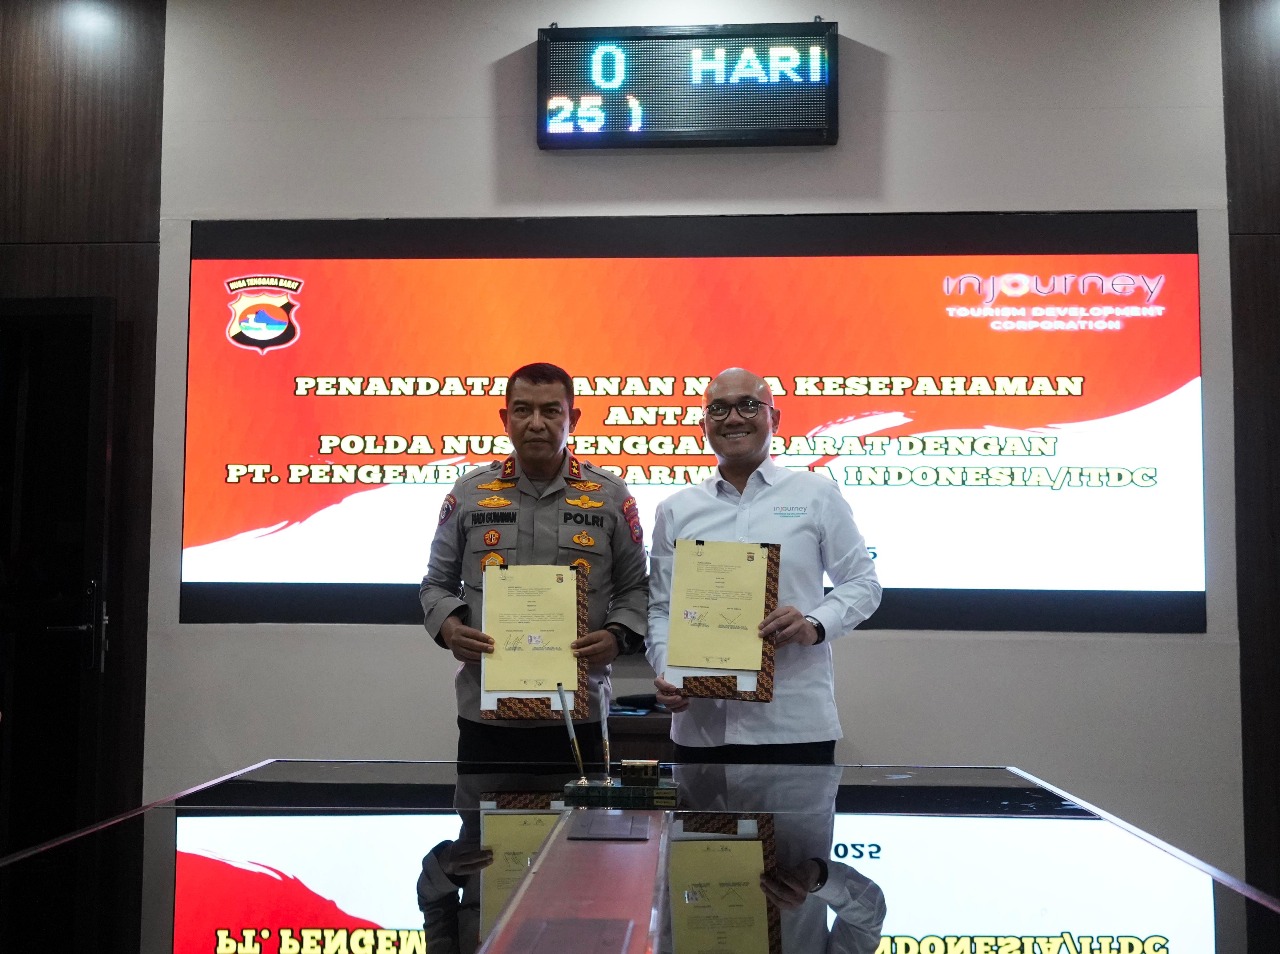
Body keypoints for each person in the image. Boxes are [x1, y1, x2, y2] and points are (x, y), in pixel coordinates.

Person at [646, 367, 881, 764]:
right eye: (718, 409)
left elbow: (863, 583)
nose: (733, 418)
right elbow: (660, 609)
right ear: (703, 425)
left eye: (749, 405)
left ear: (775, 418)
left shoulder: (816, 494)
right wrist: (668, 666)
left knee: (797, 812)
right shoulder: (676, 509)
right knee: (699, 811)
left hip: (793, 723)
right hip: (702, 726)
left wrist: (813, 625)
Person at [421, 362, 648, 767]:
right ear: (505, 419)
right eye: (523, 410)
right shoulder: (471, 492)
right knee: (483, 810)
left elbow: (636, 588)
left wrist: (617, 637)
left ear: (573, 419)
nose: (536, 423)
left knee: (579, 810)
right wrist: (451, 629)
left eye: (551, 411)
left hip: (579, 708)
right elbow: (436, 584)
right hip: (486, 710)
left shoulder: (610, 495)